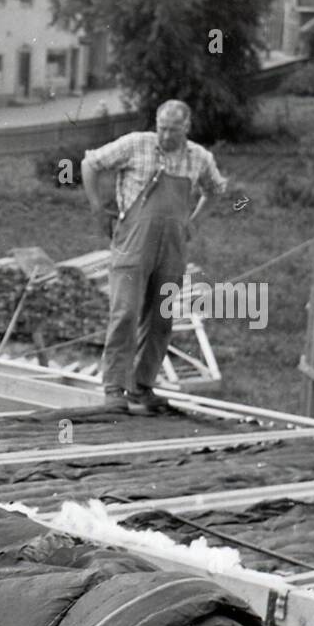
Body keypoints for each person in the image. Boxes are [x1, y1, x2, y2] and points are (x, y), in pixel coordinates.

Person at [81, 100, 227, 413]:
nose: (165, 135)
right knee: (125, 314)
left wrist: (195, 222)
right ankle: (114, 388)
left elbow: (215, 189)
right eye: (161, 127)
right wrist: (98, 208)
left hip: (172, 249)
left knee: (161, 318)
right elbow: (90, 164)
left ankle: (141, 386)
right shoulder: (136, 145)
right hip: (132, 244)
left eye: (173, 130)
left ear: (186, 128)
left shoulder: (199, 157)